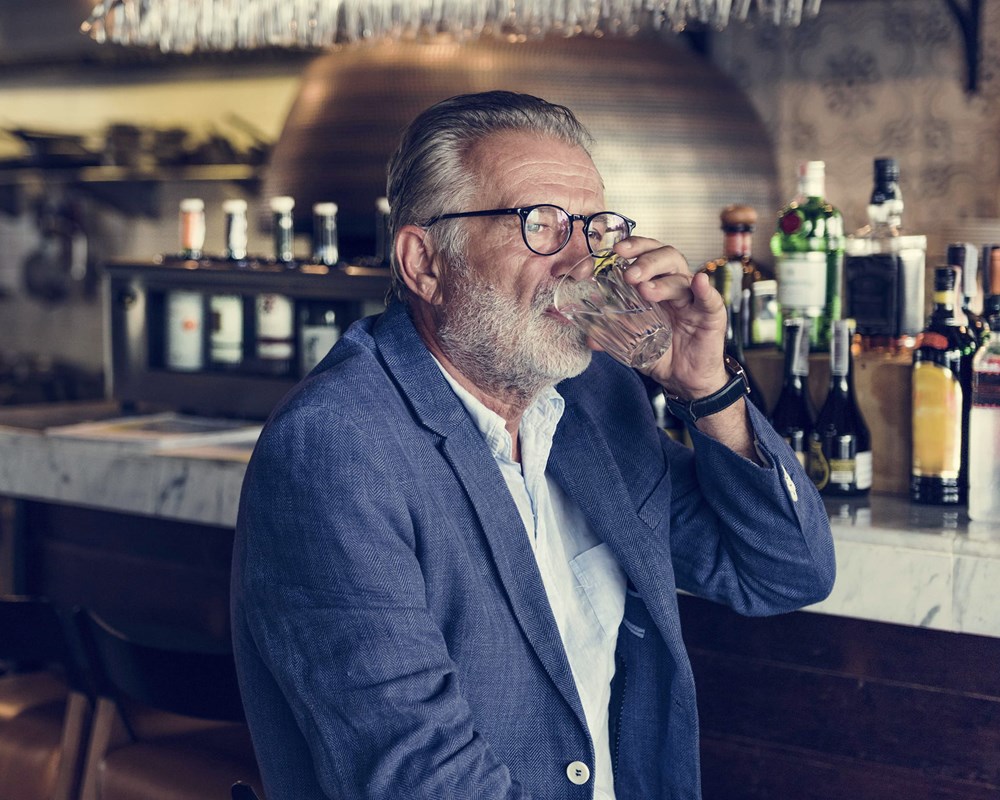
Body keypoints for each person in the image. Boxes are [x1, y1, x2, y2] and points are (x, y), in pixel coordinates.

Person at [231, 90, 835, 800]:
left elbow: (784, 573)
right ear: (424, 262)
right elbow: (422, 782)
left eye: (595, 228)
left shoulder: (594, 399)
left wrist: (707, 388)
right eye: (540, 224)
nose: (585, 261)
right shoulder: (337, 450)